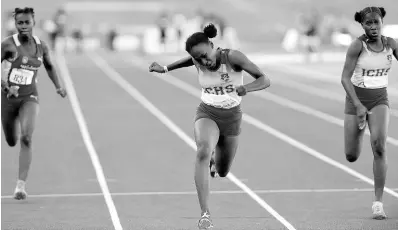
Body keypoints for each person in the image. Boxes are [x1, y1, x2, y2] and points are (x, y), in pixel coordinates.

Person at [149, 24, 271, 229]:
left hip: (232, 117)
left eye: (206, 55)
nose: (204, 62)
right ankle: (205, 214)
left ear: (212, 45)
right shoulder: (198, 59)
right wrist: (166, 68)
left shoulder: (233, 58)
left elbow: (264, 79)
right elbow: (190, 60)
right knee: (203, 151)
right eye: (199, 59)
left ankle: (216, 162)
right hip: (208, 112)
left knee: (223, 171)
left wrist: (246, 88)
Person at [1, 7, 67, 200]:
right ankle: (10, 132)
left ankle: (20, 186)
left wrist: (58, 86)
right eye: (19, 22)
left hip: (30, 97)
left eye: (26, 22)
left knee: (27, 138)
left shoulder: (41, 46)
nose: (23, 26)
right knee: (11, 140)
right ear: (15, 24)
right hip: (7, 100)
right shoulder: (7, 45)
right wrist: (6, 88)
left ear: (33, 23)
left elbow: (49, 66)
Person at [341, 6, 396, 220]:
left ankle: (378, 203)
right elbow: (345, 78)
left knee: (380, 146)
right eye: (369, 23)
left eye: (376, 22)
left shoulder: (391, 44)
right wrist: (358, 105)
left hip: (380, 99)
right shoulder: (357, 46)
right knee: (351, 155)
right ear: (363, 25)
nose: (373, 27)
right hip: (356, 100)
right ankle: (359, 132)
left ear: (382, 22)